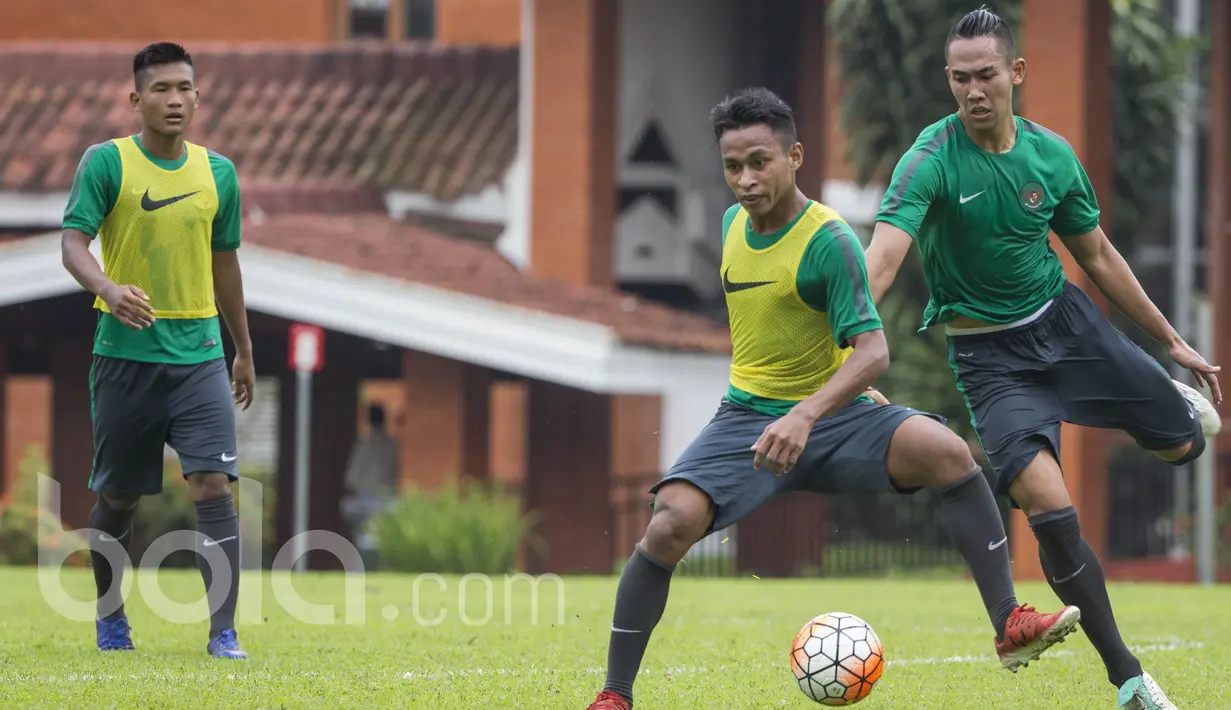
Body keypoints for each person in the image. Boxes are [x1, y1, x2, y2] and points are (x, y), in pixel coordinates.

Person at [586, 87, 1079, 710]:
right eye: (732, 166)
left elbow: (873, 351)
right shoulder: (731, 224)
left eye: (759, 162)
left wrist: (808, 410)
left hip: (833, 417)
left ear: (794, 155)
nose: (745, 179)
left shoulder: (830, 240)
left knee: (950, 454)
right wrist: (786, 409)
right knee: (669, 523)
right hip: (748, 419)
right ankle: (614, 695)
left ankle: (1008, 622)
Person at [864, 9, 1222, 710]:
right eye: (960, 79)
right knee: (1048, 511)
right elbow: (881, 257)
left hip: (1068, 328)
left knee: (1185, 448)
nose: (973, 91)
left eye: (986, 76)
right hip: (989, 362)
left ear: (1014, 74)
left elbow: (1096, 256)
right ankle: (1127, 678)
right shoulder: (928, 160)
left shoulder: (1051, 157)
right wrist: (850, 346)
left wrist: (1169, 340)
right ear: (948, 80)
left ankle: (1163, 399)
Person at [60, 42, 254, 660]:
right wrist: (108, 289)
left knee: (213, 485)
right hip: (124, 357)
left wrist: (242, 349)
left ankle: (223, 632)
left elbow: (226, 267)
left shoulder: (218, 173)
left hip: (198, 356)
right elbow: (72, 245)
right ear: (136, 98)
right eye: (162, 89)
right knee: (118, 497)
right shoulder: (106, 163)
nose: (175, 99)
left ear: (198, 96)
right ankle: (110, 615)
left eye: (185, 88)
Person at [340, 404, 400, 558]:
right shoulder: (393, 445)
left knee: (349, 510)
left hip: (366, 503)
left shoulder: (364, 444)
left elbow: (351, 479)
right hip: (389, 502)